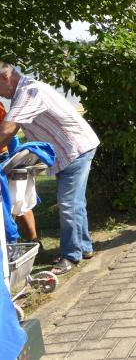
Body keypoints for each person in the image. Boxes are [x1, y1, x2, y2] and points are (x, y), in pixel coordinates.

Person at [0, 62, 100, 275]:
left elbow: (7, 130)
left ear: (5, 78)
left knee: (68, 204)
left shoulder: (29, 92)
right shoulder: (22, 92)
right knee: (75, 202)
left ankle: (70, 256)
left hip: (75, 149)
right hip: (67, 151)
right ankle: (84, 247)